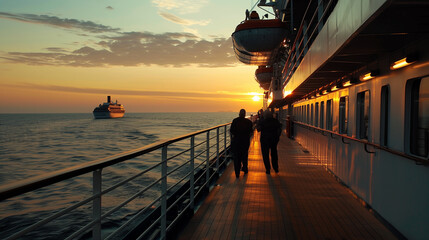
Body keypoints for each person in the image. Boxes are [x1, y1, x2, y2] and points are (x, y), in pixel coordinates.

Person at [230, 109, 253, 178]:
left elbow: (231, 131)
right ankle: (245, 168)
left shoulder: (235, 121)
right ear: (245, 114)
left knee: (237, 157)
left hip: (236, 141)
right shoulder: (248, 122)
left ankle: (237, 173)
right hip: (245, 141)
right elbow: (251, 131)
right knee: (244, 155)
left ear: (239, 114)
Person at [258, 110, 282, 174]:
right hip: (273, 140)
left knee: (265, 155)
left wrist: (260, 118)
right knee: (274, 154)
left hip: (264, 141)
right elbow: (279, 129)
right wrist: (278, 137)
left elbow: (258, 129)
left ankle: (268, 169)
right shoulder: (275, 121)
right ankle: (276, 168)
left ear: (265, 115)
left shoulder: (263, 122)